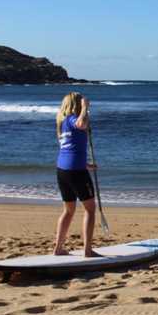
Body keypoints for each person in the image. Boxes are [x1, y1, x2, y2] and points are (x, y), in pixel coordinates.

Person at [53, 92, 99, 257]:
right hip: (75, 171)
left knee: (69, 210)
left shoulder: (62, 123)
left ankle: (58, 248)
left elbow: (69, 147)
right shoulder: (73, 119)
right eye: (80, 102)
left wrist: (85, 164)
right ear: (76, 104)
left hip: (63, 170)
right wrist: (86, 107)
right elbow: (81, 124)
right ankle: (87, 250)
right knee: (90, 209)